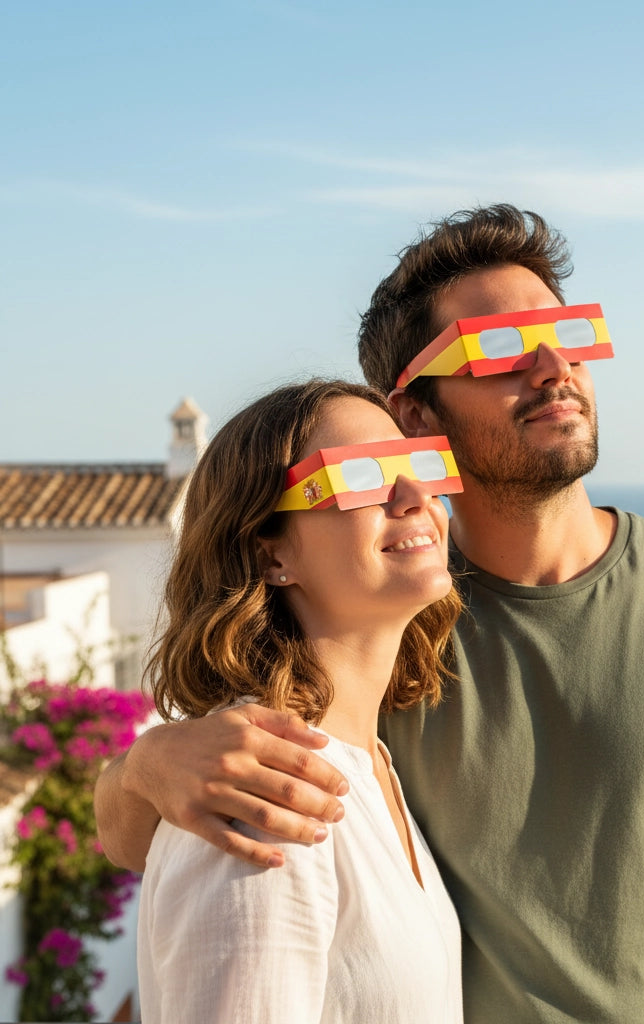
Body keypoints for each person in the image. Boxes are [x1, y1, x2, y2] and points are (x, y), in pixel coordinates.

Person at [97, 205, 644, 1023]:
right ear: (414, 415)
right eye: (497, 348)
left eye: (570, 334)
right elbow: (175, 841)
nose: (556, 366)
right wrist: (147, 766)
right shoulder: (378, 610)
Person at [132, 378, 464, 1023]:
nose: (417, 495)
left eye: (419, 463)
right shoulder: (259, 792)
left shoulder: (367, 766)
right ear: (271, 551)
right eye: (362, 476)